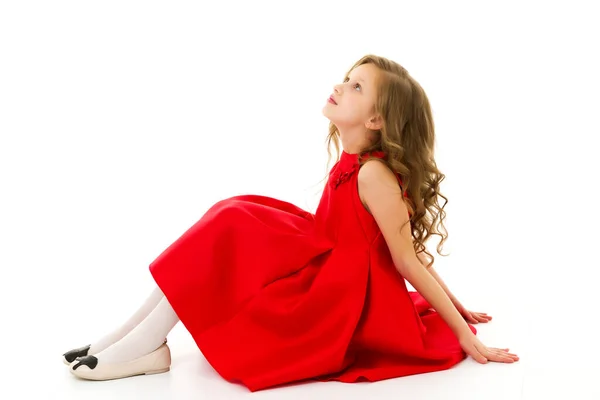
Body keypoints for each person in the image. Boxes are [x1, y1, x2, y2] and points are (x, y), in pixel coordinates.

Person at [63, 54, 519, 392]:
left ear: (378, 119)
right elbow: (396, 247)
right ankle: (127, 338)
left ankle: (144, 345)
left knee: (230, 226)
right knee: (231, 214)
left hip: (336, 293)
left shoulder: (375, 173)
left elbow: (405, 258)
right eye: (347, 78)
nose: (341, 86)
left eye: (357, 87)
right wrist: (458, 304)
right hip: (319, 248)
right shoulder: (355, 159)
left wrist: (459, 327)